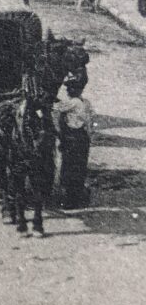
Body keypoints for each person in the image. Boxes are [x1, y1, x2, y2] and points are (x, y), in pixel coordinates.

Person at [53, 76, 94, 210]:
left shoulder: (74, 102)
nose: (68, 90)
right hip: (83, 138)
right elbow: (90, 120)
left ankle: (71, 200)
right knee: (79, 167)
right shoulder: (86, 102)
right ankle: (78, 196)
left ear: (78, 90)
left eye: (71, 88)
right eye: (68, 88)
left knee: (70, 167)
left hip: (73, 138)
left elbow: (56, 108)